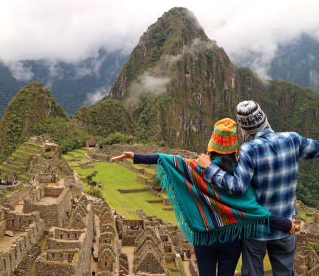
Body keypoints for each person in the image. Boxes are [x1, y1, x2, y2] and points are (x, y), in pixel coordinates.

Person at [196, 101, 319, 276]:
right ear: (265, 119)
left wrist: (210, 168)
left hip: (256, 231)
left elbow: (237, 187)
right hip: (285, 227)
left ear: (244, 129)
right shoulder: (292, 139)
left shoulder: (249, 150)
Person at [111, 118, 293, 276]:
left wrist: (135, 156)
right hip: (231, 237)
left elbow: (169, 160)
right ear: (234, 149)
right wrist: (285, 224)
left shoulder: (195, 169)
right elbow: (254, 210)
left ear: (212, 144)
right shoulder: (239, 174)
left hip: (203, 237)